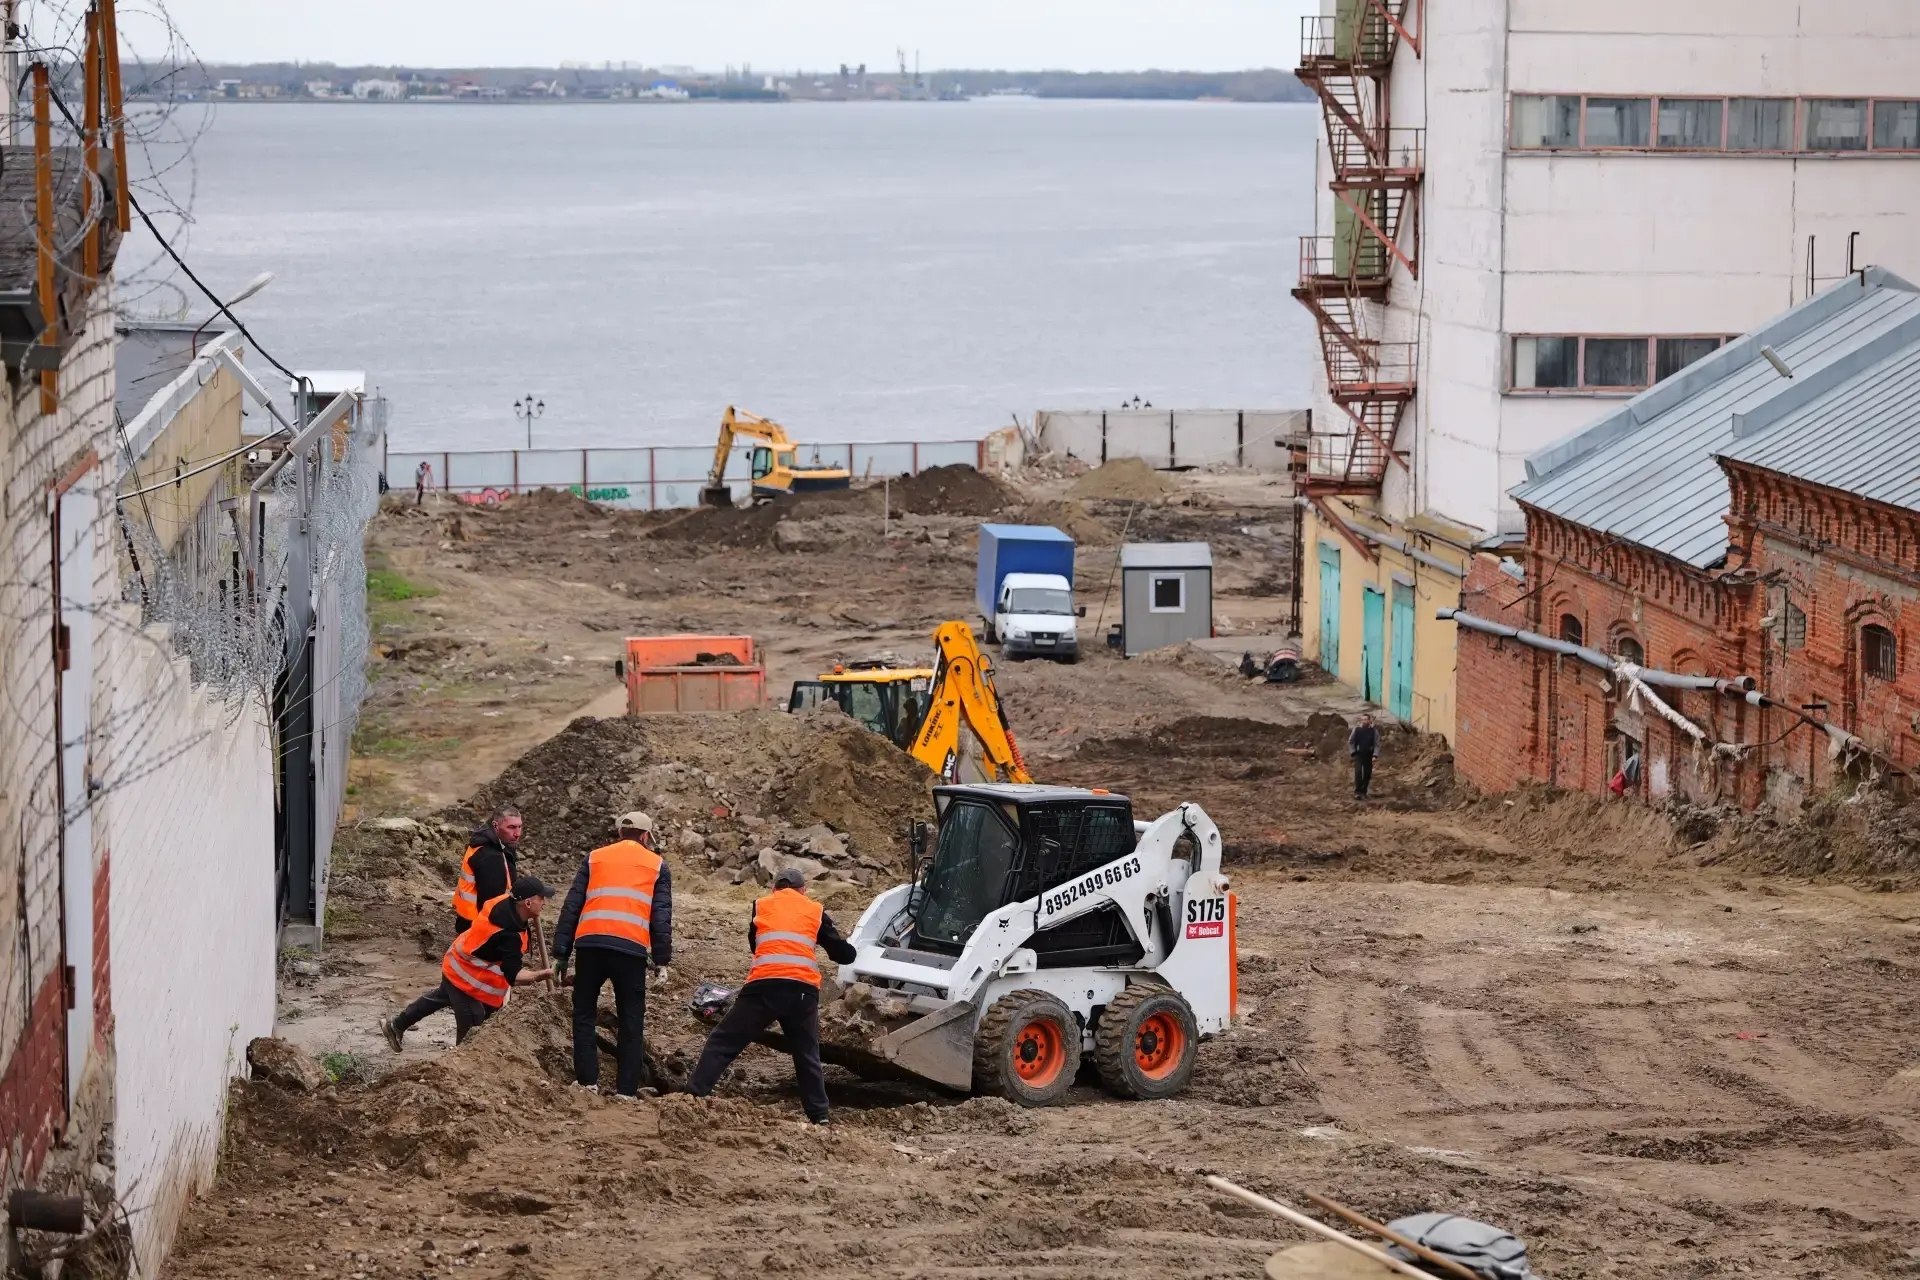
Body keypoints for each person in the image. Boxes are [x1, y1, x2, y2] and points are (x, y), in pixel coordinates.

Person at [686, 867, 858, 1125]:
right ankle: (819, 1115)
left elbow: (755, 945)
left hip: (763, 987)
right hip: (802, 991)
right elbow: (843, 955)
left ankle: (692, 1097)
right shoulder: (814, 910)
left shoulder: (762, 905)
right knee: (806, 1053)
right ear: (803, 890)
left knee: (723, 1042)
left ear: (774, 889)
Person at [551, 812, 673, 1098]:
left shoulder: (595, 858)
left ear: (620, 833)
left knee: (583, 1013)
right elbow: (661, 917)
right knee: (631, 1020)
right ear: (645, 836)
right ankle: (626, 1091)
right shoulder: (656, 865)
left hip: (590, 946)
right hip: (630, 952)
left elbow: (572, 906)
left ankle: (586, 1083)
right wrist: (662, 962)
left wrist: (561, 953)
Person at [384, 875, 556, 1049]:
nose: (545, 903)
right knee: (471, 1033)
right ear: (527, 903)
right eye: (541, 898)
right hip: (467, 980)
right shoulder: (508, 935)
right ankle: (458, 1068)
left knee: (439, 997)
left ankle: (396, 1025)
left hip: (458, 962)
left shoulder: (505, 903)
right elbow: (515, 976)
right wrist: (542, 974)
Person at [453, 807, 524, 938]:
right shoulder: (490, 856)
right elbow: (492, 903)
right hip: (477, 928)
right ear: (495, 825)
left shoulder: (495, 843)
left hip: (469, 921)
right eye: (511, 827)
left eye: (520, 827)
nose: (517, 833)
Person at [1349, 712, 1380, 800]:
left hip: (1369, 755)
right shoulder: (1357, 730)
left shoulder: (1374, 731)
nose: (1364, 721)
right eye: (1363, 720)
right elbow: (1351, 741)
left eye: (1366, 720)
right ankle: (1357, 792)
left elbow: (1377, 744)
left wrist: (1375, 755)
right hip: (1358, 754)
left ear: (1369, 721)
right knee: (1358, 772)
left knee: (1367, 774)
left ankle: (1364, 791)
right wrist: (1353, 751)